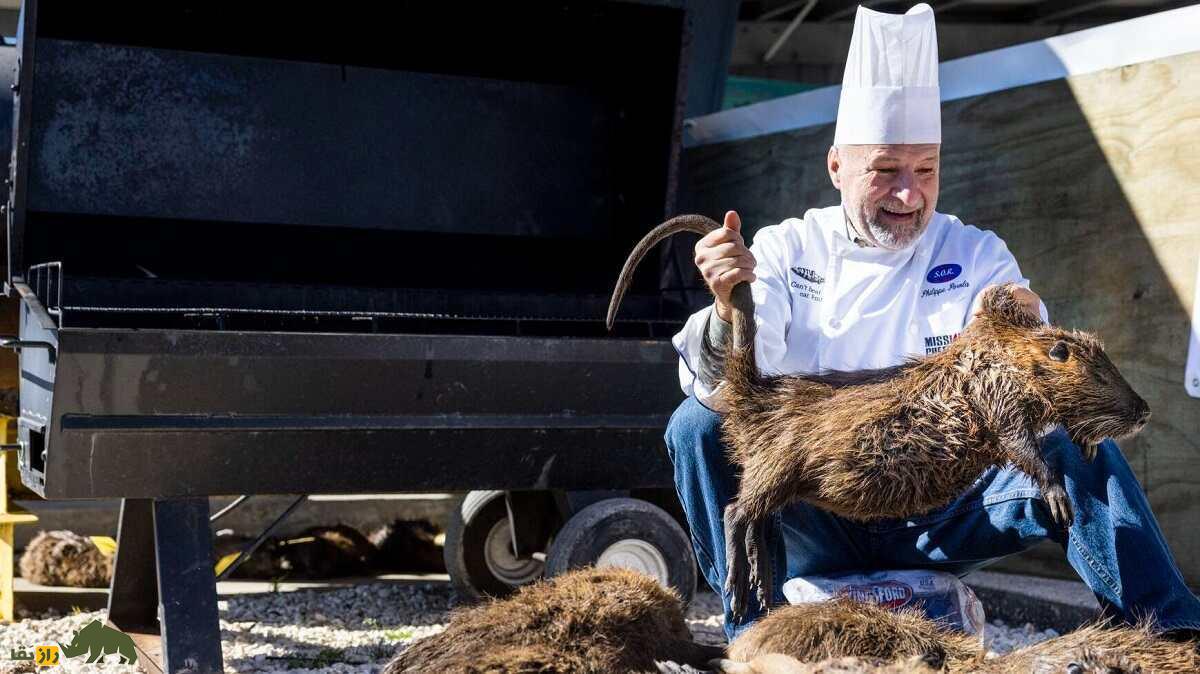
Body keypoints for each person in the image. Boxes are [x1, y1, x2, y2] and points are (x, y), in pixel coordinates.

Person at [665, 3, 1200, 641]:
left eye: (926, 171)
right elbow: (727, 381)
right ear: (837, 166)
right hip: (814, 513)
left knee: (1072, 444)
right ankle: (749, 633)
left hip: (941, 517)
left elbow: (1032, 357)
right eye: (886, 170)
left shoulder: (976, 254)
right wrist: (729, 306)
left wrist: (1025, 327)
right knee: (697, 426)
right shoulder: (785, 249)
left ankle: (1171, 631)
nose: (908, 195)